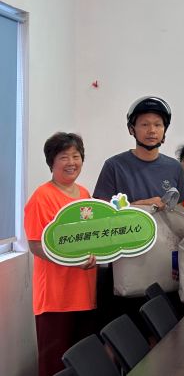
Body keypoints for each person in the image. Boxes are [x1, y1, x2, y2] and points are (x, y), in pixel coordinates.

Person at [92, 96, 184, 330]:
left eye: (157, 124)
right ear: (132, 129)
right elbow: (101, 215)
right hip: (128, 261)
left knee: (166, 333)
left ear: (165, 130)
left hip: (165, 263)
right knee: (127, 335)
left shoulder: (174, 168)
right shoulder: (114, 165)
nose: (151, 130)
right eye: (144, 124)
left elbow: (181, 215)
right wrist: (141, 205)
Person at [24, 132, 98, 376]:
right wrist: (73, 261)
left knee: (82, 362)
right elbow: (36, 245)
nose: (71, 162)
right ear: (51, 162)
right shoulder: (42, 197)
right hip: (55, 297)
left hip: (84, 293)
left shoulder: (85, 194)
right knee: (55, 365)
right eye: (64, 157)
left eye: (76, 156)